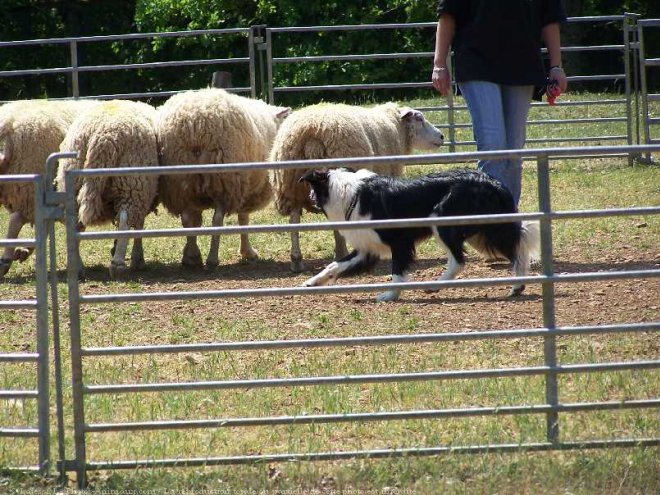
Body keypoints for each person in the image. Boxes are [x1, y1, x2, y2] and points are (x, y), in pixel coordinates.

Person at [432, 0, 568, 207]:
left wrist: (556, 66)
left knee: (514, 150)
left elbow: (550, 17)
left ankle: (508, 218)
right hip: (476, 62)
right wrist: (439, 63)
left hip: (523, 64)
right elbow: (448, 13)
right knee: (493, 143)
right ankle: (492, 219)